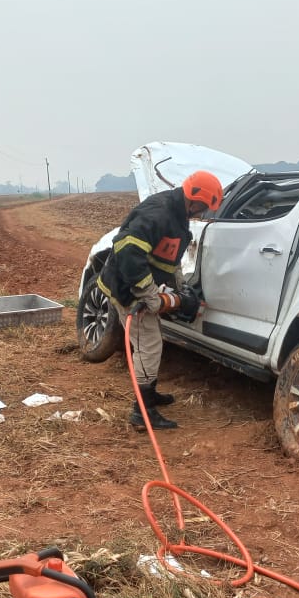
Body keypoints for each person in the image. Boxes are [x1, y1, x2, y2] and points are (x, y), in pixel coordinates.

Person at [96, 170, 222, 429]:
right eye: (204, 208)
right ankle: (142, 412)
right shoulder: (160, 213)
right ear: (195, 199)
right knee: (148, 345)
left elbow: (168, 260)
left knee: (150, 343)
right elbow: (128, 251)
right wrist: (149, 293)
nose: (203, 214)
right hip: (127, 289)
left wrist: (179, 289)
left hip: (136, 286)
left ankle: (149, 394)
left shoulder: (178, 214)